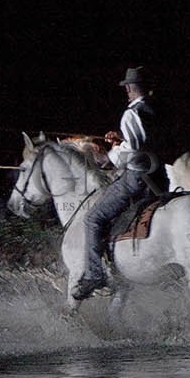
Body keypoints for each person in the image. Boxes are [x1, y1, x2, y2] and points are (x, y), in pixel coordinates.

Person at [71, 67, 176, 300]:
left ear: (128, 88)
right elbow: (145, 140)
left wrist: (109, 155)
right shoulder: (157, 109)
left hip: (137, 179)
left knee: (93, 218)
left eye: (126, 88)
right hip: (159, 177)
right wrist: (121, 139)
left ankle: (94, 274)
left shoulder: (131, 113)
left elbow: (134, 151)